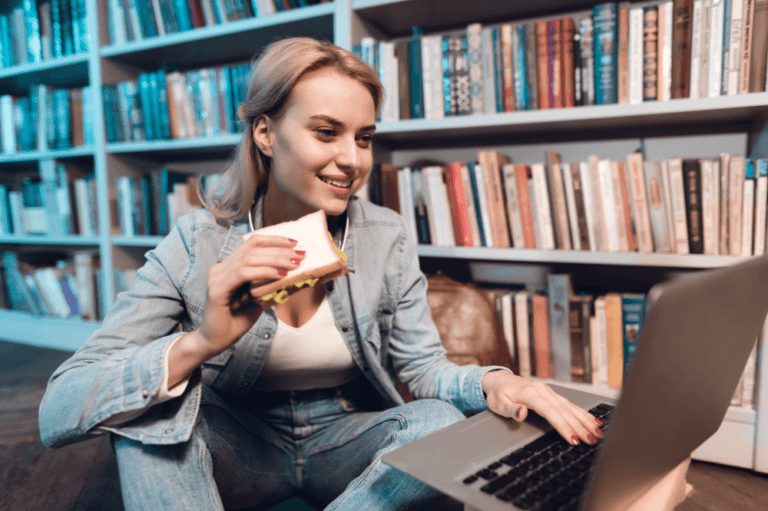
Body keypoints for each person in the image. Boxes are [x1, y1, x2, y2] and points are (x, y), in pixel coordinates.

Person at [38, 37, 604, 511]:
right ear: (265, 132)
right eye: (326, 132)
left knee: (433, 420)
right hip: (240, 442)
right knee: (151, 426)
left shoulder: (386, 235)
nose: (353, 160)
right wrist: (201, 341)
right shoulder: (197, 241)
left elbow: (423, 368)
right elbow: (60, 406)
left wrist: (493, 383)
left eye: (363, 138)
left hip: (345, 435)